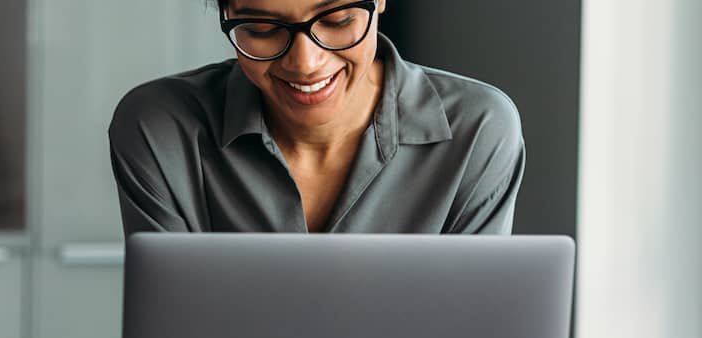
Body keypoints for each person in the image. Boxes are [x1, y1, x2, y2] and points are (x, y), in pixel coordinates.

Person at [109, 0, 524, 235]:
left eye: (338, 20)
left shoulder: (477, 130)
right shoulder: (160, 128)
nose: (305, 63)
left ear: (378, 0)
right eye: (261, 28)